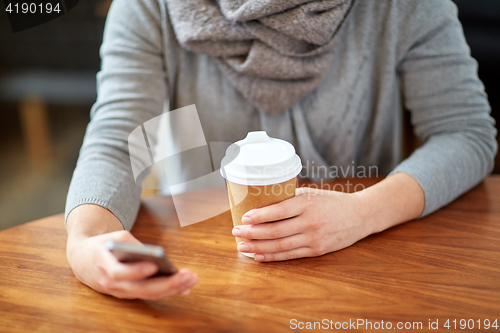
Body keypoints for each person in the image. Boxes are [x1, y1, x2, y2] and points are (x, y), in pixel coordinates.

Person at [65, 0, 497, 300]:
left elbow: (465, 133)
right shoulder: (148, 8)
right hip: (211, 269)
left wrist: (364, 212)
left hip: (365, 262)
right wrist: (85, 241)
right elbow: (119, 140)